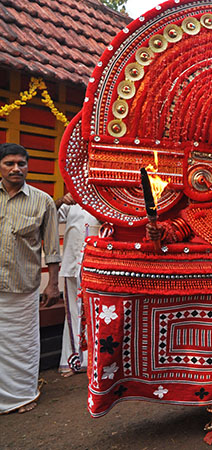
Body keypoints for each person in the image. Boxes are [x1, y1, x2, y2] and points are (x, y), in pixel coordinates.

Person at [0, 143, 61, 414]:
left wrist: (53, 285)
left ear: (27, 167)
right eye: (9, 163)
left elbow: (52, 249)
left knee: (22, 344)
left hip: (22, 287)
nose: (16, 168)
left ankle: (21, 396)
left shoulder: (43, 200)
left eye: (21, 163)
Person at [54, 192, 100, 377]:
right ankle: (72, 359)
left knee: (97, 313)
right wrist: (60, 200)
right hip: (73, 264)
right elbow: (49, 215)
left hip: (98, 266)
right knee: (73, 312)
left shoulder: (108, 202)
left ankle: (93, 361)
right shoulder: (73, 199)